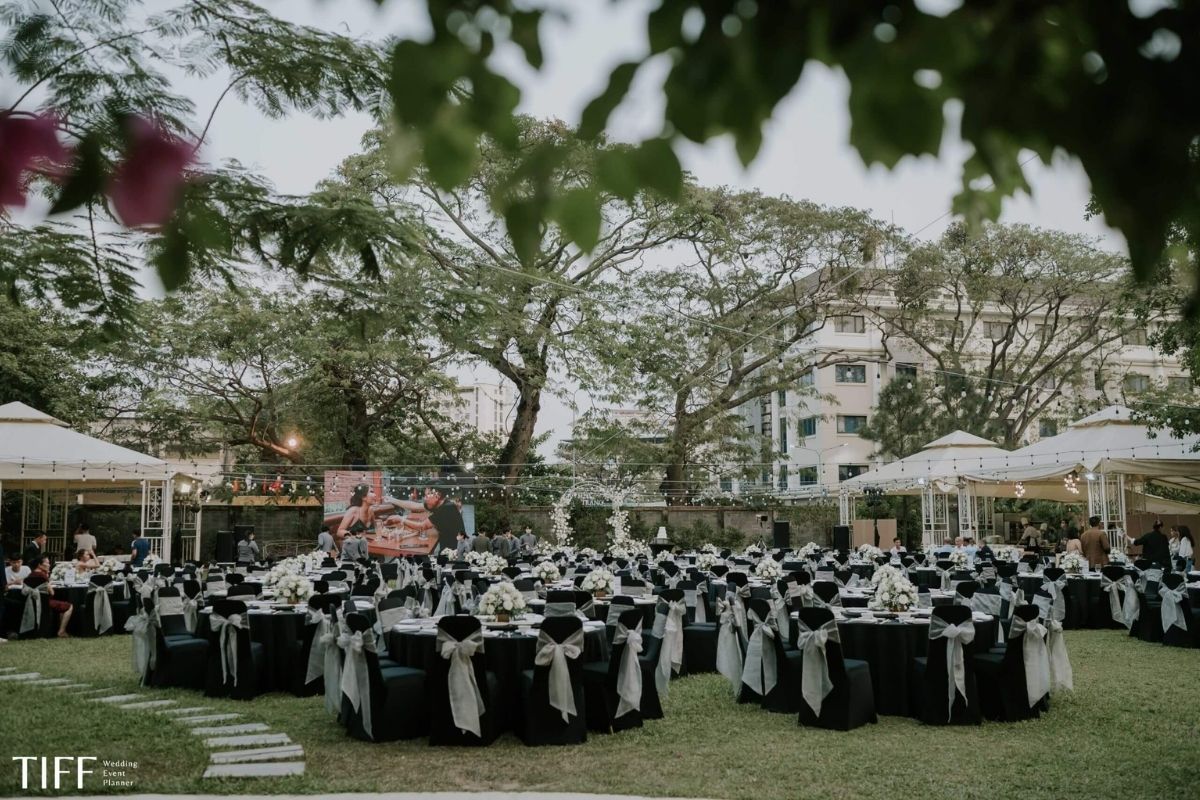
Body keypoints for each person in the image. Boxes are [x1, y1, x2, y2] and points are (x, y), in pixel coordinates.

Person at [30, 556, 74, 637]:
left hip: (31, 602)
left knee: (62, 606)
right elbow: (52, 593)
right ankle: (61, 631)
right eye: (47, 563)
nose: (49, 565)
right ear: (39, 565)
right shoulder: (42, 576)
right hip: (45, 602)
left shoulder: (31, 574)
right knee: (69, 606)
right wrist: (49, 583)